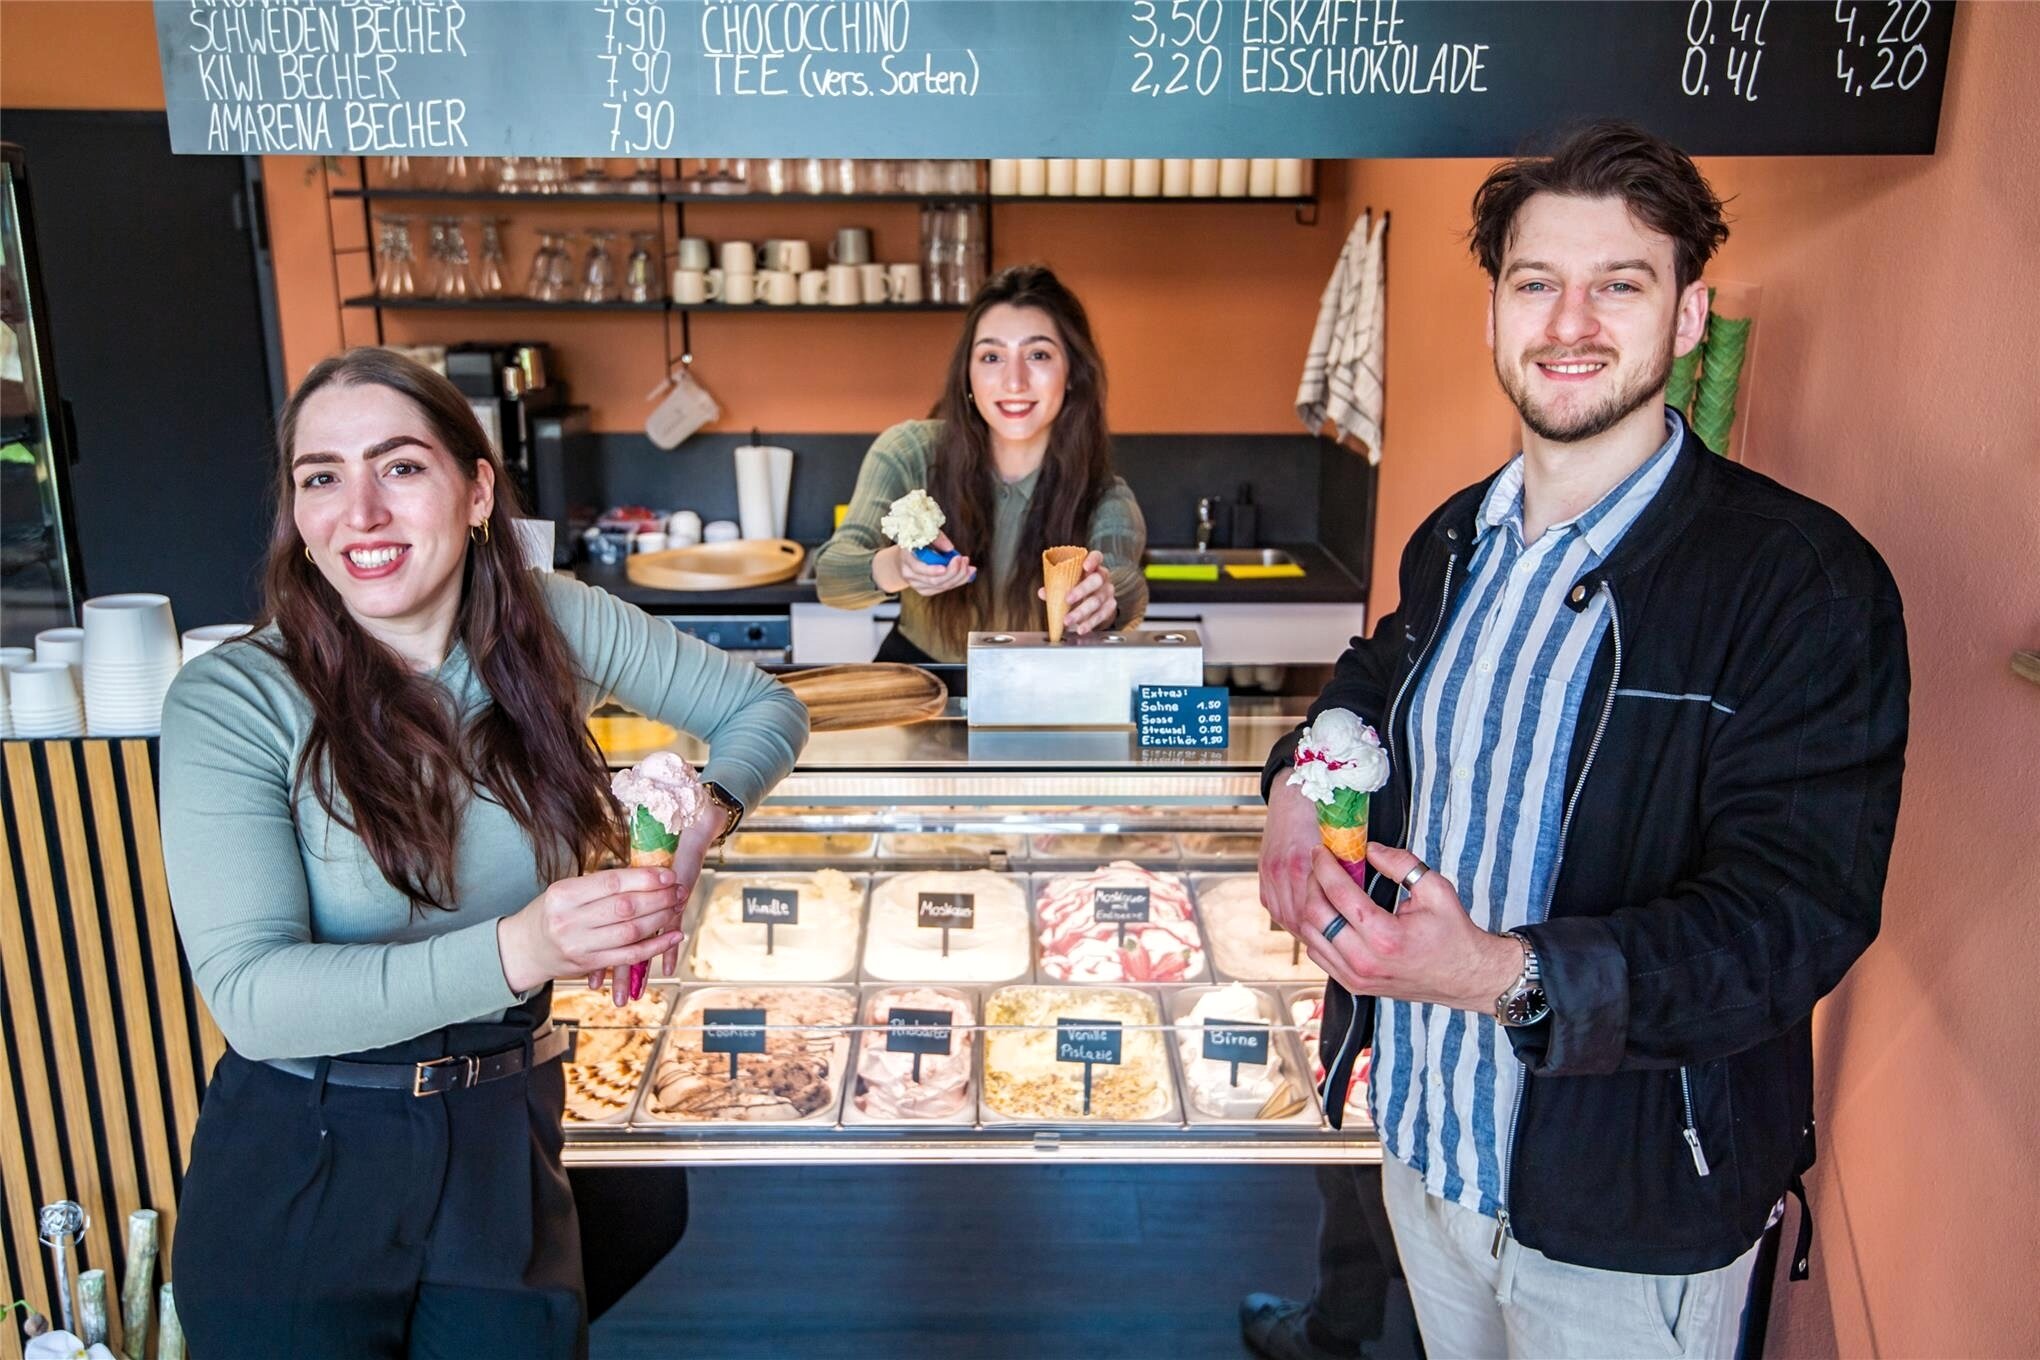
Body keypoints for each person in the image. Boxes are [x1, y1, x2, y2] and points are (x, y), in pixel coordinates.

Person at [1253, 122, 1909, 1359]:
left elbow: (1794, 922)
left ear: (1688, 314)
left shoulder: (1803, 582)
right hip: (1429, 1151)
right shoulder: (1456, 537)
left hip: (1633, 1219)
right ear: (1495, 310)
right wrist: (1299, 781)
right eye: (1536, 283)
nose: (1570, 322)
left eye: (1621, 283)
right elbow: (1376, 676)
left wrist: (1501, 973)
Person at [160, 347, 809, 1358]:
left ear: (475, 490)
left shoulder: (551, 623)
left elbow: (761, 706)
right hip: (308, 1153)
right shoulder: (235, 698)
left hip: (507, 1130)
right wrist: (523, 947)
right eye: (321, 476)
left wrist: (698, 823)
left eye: (400, 466)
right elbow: (251, 994)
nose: (360, 511)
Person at [814, 264, 1147, 663]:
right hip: (922, 681)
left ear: (1072, 372)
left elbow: (1125, 580)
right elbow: (831, 576)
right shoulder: (910, 453)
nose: (1014, 381)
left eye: (1038, 354)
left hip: (1037, 689)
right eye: (991, 356)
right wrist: (899, 566)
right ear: (967, 375)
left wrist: (1106, 599)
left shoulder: (1103, 494)